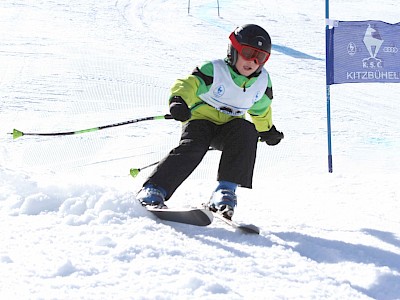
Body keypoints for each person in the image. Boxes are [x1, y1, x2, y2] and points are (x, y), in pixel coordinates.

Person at [136, 24, 284, 219]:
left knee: (247, 131)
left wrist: (266, 130)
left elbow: (261, 109)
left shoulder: (262, 82)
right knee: (195, 146)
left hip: (229, 128)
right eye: (248, 53)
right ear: (234, 50)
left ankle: (224, 193)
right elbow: (188, 84)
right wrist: (179, 101)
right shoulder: (214, 70)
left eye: (261, 57)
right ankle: (154, 189)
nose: (253, 61)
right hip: (200, 120)